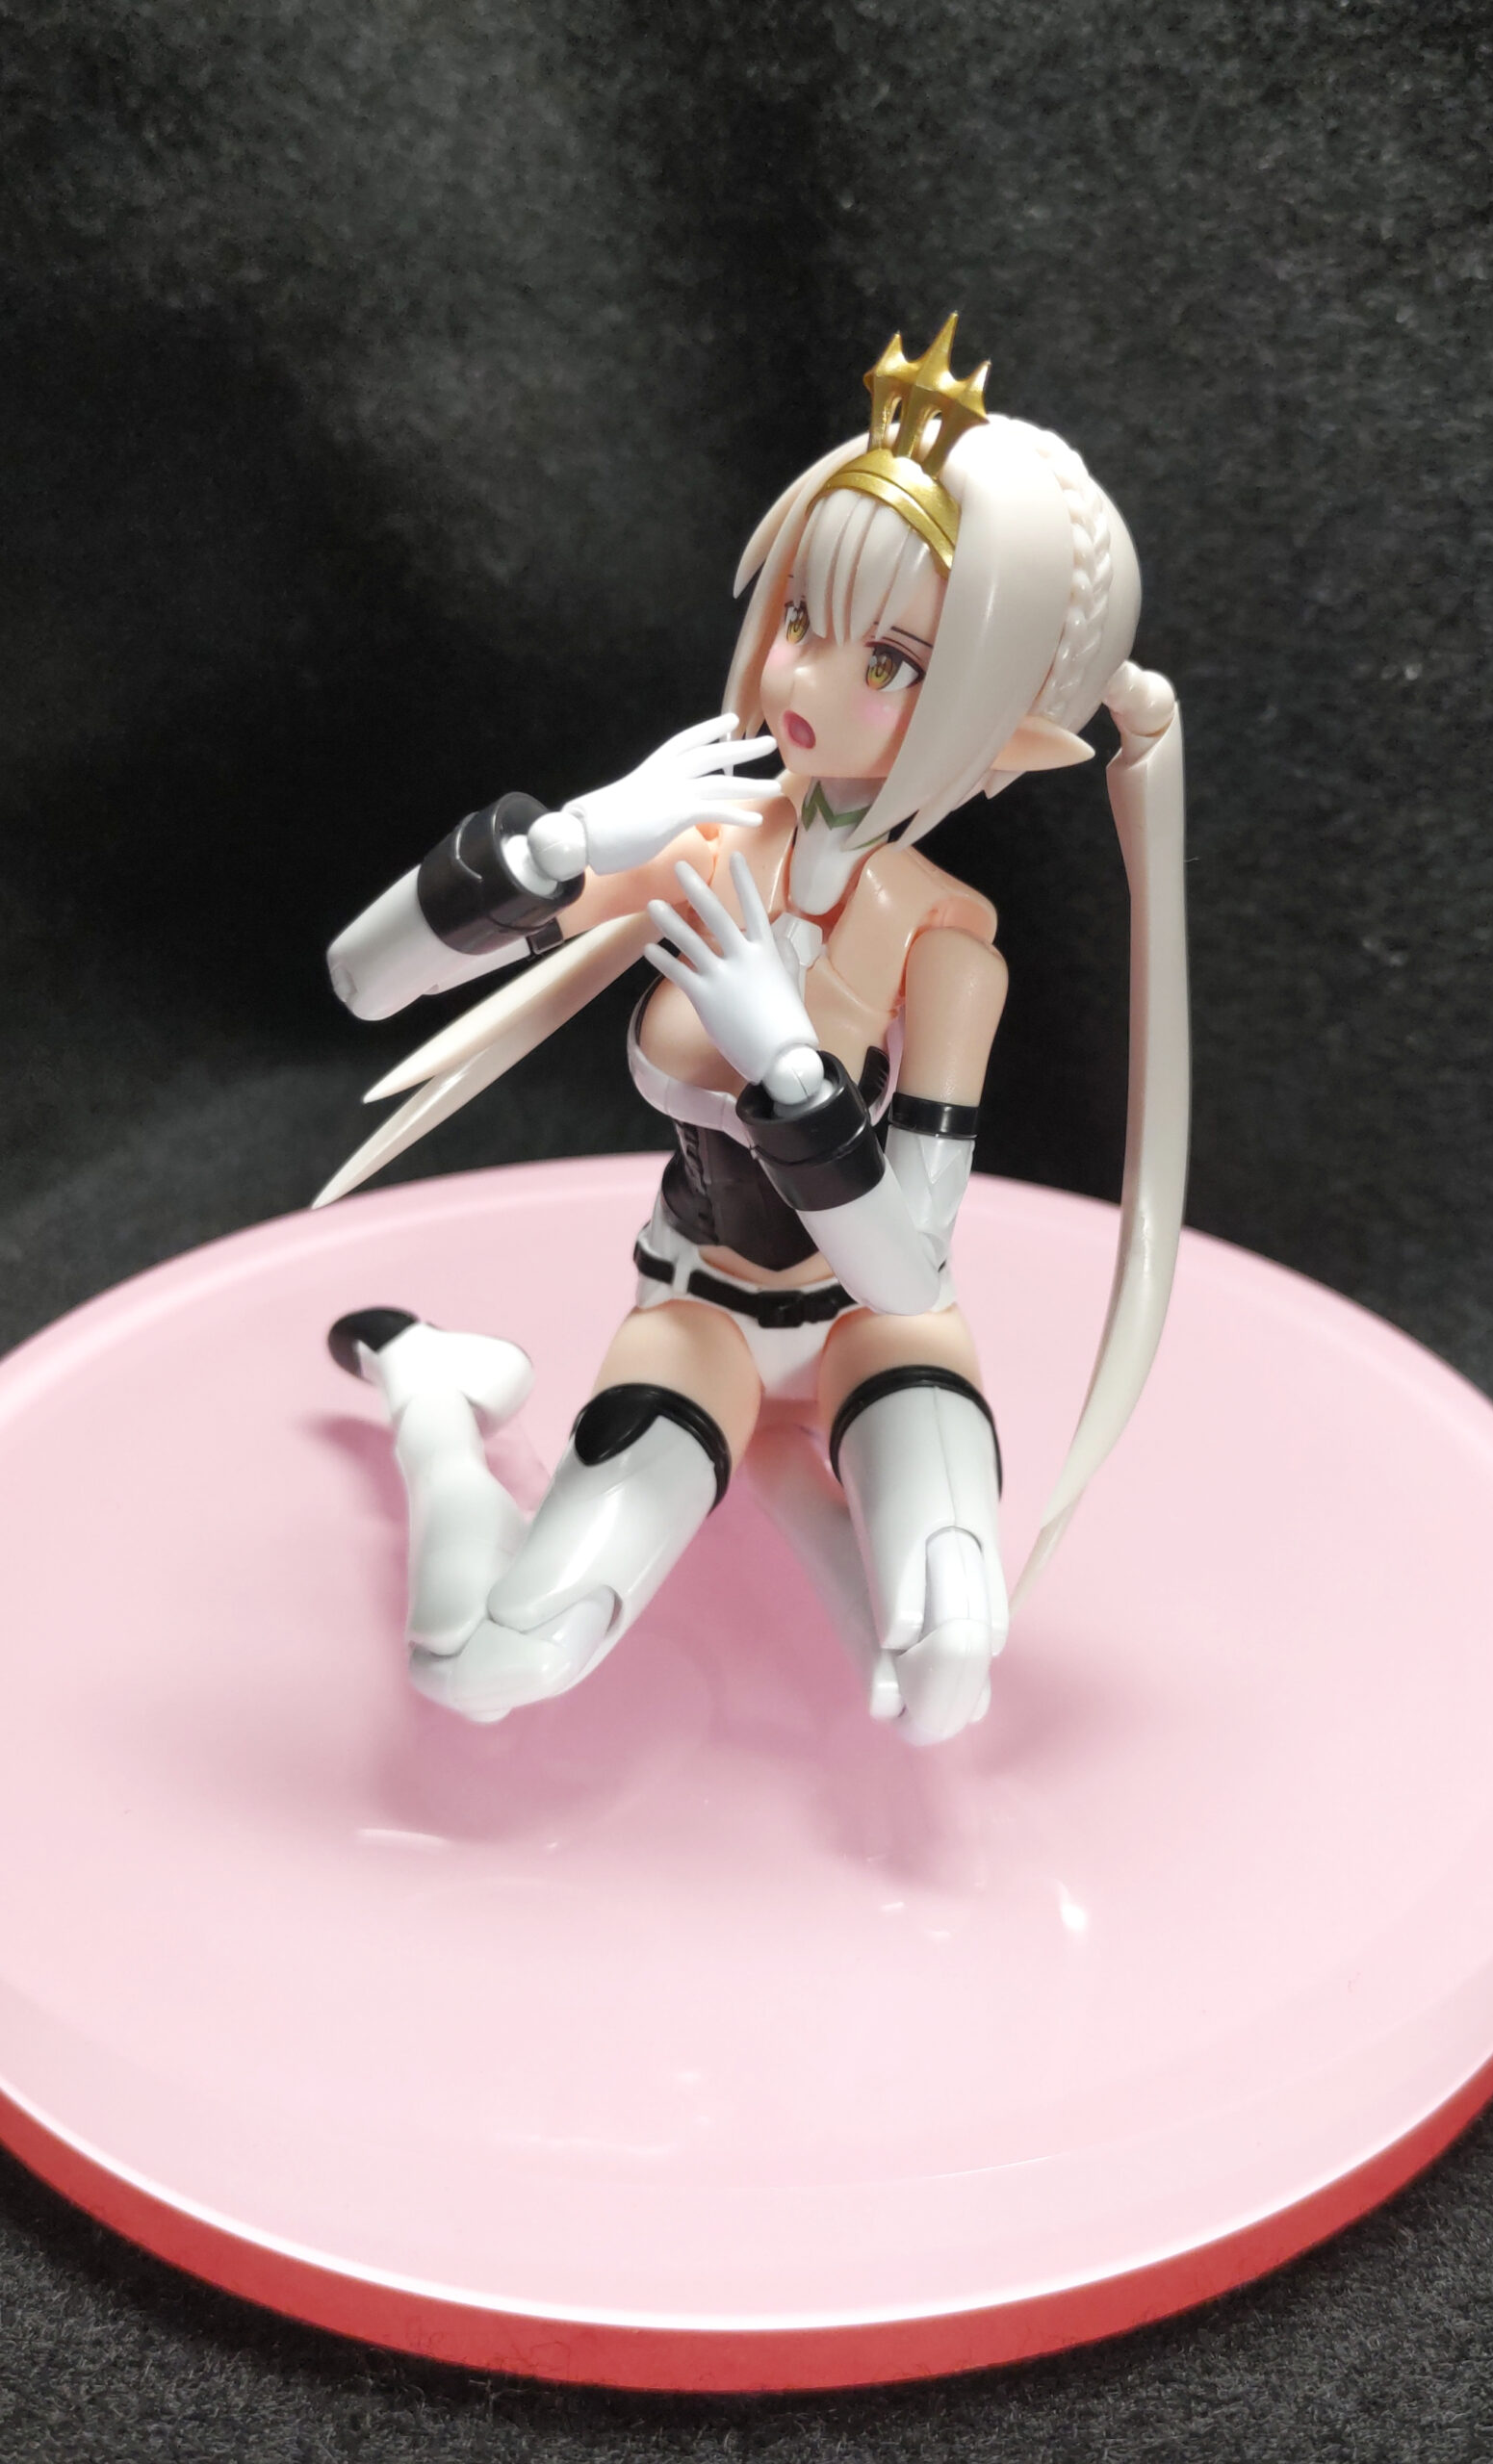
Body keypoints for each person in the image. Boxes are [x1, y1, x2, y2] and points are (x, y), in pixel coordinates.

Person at [319, 318, 1189, 1742]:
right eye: (803, 619)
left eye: (892, 660)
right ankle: (433, 1395)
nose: (805, 682)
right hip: (699, 1317)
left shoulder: (945, 941)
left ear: (1003, 733)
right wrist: (565, 842)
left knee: (946, 1672)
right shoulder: (695, 846)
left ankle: (791, 1479)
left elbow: (907, 1262)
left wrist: (789, 1069)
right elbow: (366, 982)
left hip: (873, 1331)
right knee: (481, 1671)